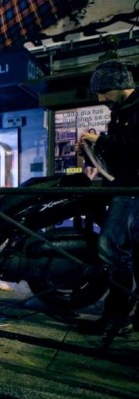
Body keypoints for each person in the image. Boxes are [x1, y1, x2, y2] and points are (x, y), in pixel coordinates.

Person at [77, 59, 139, 346]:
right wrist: (92, 149)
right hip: (125, 187)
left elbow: (133, 147)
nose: (101, 99)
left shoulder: (134, 111)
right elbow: (119, 153)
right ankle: (117, 315)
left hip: (132, 190)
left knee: (111, 247)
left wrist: (100, 140)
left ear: (120, 86)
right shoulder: (122, 111)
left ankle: (118, 317)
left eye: (104, 92)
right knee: (120, 251)